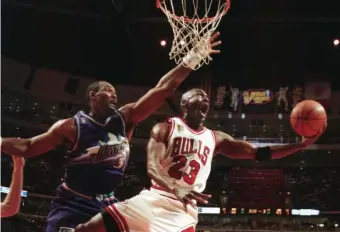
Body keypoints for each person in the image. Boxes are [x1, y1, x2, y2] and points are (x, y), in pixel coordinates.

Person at [0, 33, 221, 231]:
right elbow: (28, 147)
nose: (114, 95)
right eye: (107, 90)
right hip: (73, 203)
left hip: (107, 203)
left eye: (115, 92)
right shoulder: (71, 126)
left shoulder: (126, 118)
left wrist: (193, 58)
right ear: (92, 96)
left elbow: (163, 89)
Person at [74, 88, 324, 232]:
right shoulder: (164, 128)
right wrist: (174, 188)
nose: (204, 102)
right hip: (153, 199)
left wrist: (300, 145)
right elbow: (151, 166)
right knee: (88, 229)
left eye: (206, 103)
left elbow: (261, 153)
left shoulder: (216, 138)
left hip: (184, 212)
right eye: (198, 97)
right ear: (184, 102)